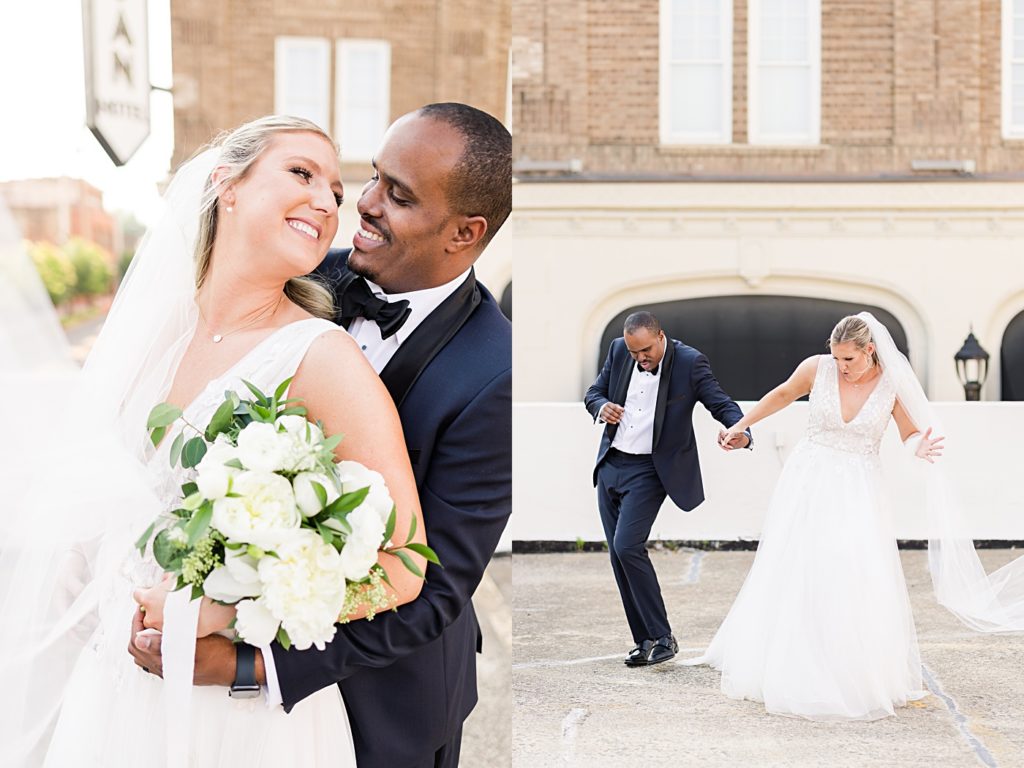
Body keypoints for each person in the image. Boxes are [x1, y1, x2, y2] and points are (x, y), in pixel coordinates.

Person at [0, 115, 428, 767]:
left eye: (335, 194)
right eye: (302, 173)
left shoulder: (322, 356)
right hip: (115, 686)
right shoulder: (149, 332)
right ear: (228, 184)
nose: (325, 201)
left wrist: (233, 615)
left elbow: (404, 563)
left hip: (233, 715)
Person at [130, 103, 513, 768]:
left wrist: (248, 663)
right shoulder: (303, 270)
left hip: (391, 699)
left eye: (397, 195)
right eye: (369, 181)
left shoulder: (497, 373)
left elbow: (434, 586)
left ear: (464, 232)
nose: (361, 206)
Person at [686, 313, 948, 720]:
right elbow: (782, 395)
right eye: (836, 356)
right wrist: (740, 424)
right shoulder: (817, 368)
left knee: (849, 570)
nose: (841, 366)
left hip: (859, 488)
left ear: (869, 351)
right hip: (808, 480)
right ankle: (791, 657)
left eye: (849, 359)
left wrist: (919, 446)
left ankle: (846, 664)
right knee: (801, 562)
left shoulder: (891, 384)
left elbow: (909, 432)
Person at [584, 311, 750, 667]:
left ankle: (663, 637)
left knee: (628, 545)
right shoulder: (617, 351)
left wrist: (742, 431)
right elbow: (594, 392)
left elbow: (719, 402)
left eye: (645, 351)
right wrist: (601, 406)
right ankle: (644, 640)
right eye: (633, 353)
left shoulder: (689, 362)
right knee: (617, 555)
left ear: (661, 337)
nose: (639, 359)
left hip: (650, 469)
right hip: (611, 463)